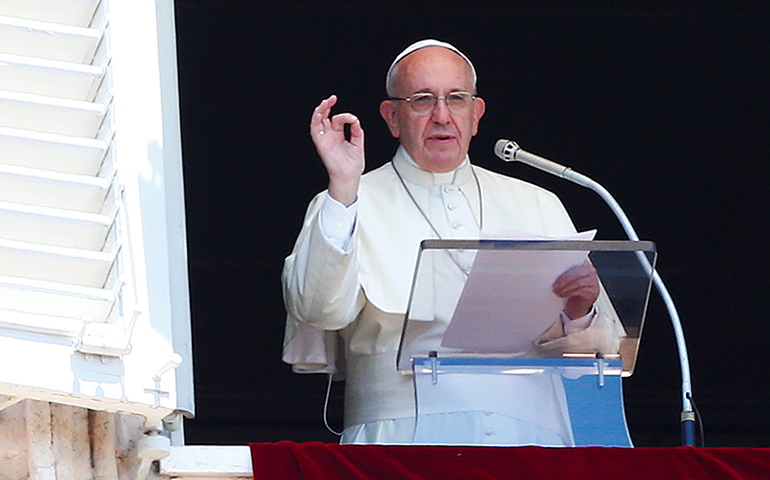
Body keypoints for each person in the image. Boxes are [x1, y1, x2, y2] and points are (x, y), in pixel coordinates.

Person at [282, 39, 625, 445]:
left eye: (456, 99)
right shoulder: (347, 201)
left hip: (531, 441)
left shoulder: (537, 202)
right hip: (400, 438)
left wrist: (579, 310)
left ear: (476, 114)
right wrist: (342, 184)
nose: (442, 116)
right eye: (423, 100)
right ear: (392, 117)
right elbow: (318, 309)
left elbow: (597, 358)